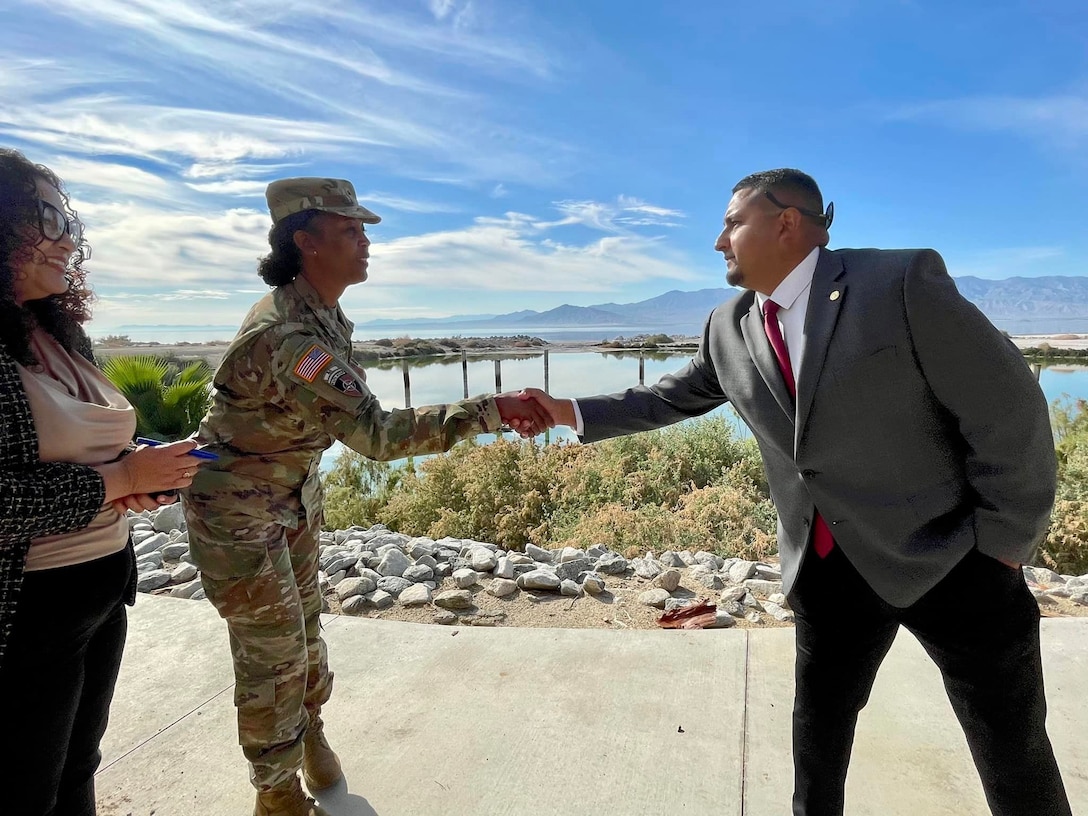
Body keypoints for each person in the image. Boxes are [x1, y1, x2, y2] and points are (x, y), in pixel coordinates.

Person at [516, 168, 1072, 816]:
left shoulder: (898, 283)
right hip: (827, 571)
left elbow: (1008, 409)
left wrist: (1003, 543)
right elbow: (667, 397)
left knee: (1012, 751)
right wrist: (565, 411)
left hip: (950, 559)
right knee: (817, 747)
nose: (719, 240)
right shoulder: (729, 326)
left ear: (786, 222)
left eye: (732, 223)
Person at [181, 177, 552, 816]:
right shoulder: (290, 337)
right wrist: (488, 410)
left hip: (290, 490)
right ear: (306, 241)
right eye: (350, 230)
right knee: (272, 647)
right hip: (236, 506)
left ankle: (311, 731)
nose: (365, 241)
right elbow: (376, 435)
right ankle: (275, 791)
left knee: (306, 627)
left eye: (364, 229)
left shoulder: (320, 311)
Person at [0, 148, 205, 815]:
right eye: (44, 216)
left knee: (79, 771)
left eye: (68, 220)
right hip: (24, 614)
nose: (66, 238)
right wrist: (118, 477)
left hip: (100, 593)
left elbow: (91, 451)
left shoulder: (59, 329)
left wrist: (145, 472)